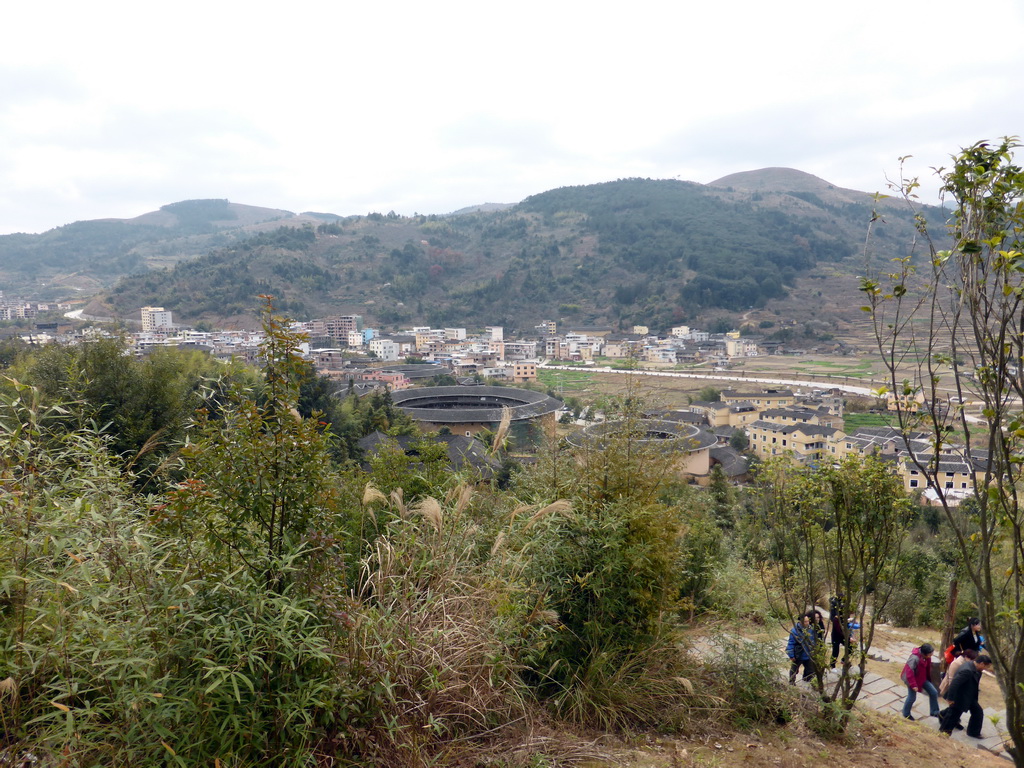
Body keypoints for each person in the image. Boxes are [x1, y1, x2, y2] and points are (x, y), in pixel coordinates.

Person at [939, 653, 992, 738]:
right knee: (953, 716)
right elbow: (954, 684)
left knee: (978, 712)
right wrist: (950, 698)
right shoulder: (967, 671)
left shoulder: (975, 668)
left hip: (969, 696)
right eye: (986, 666)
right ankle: (944, 733)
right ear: (981, 663)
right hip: (959, 697)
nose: (986, 669)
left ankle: (973, 732)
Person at [938, 648, 978, 729]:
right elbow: (951, 678)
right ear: (966, 656)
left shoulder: (966, 664)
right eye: (971, 659)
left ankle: (946, 717)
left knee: (955, 708)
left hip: (959, 688)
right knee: (953, 708)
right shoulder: (957, 663)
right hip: (950, 686)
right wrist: (951, 693)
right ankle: (944, 717)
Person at [901, 643, 940, 720]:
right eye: (930, 654)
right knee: (912, 697)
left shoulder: (927, 657)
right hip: (912, 680)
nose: (931, 656)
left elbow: (927, 668)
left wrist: (929, 678)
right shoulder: (914, 658)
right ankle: (906, 713)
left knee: (933, 692)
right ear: (924, 654)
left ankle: (934, 711)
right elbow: (909, 672)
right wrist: (913, 685)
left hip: (922, 678)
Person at [787, 612, 817, 685]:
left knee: (811, 670)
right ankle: (791, 683)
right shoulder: (795, 631)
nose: (807, 623)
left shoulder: (811, 629)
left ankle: (810, 683)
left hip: (808, 654)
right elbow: (791, 643)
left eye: (808, 621)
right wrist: (791, 655)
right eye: (805, 621)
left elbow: (814, 640)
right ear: (800, 622)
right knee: (794, 670)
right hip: (798, 654)